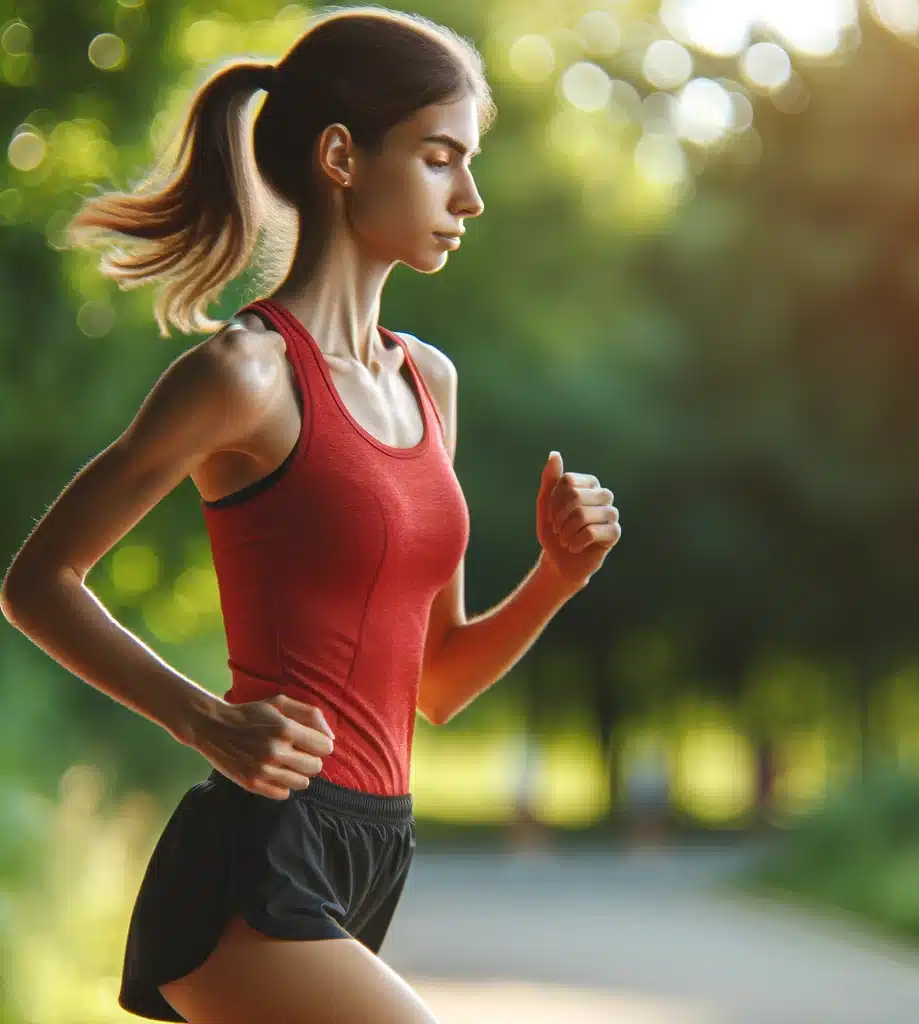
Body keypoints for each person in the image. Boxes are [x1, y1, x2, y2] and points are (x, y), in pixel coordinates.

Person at [0, 7, 622, 1022]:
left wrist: (556, 574)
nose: (469, 195)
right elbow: (36, 582)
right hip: (261, 852)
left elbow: (436, 681)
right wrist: (206, 720)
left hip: (376, 844)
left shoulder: (431, 383)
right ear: (341, 155)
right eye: (438, 156)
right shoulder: (243, 377)